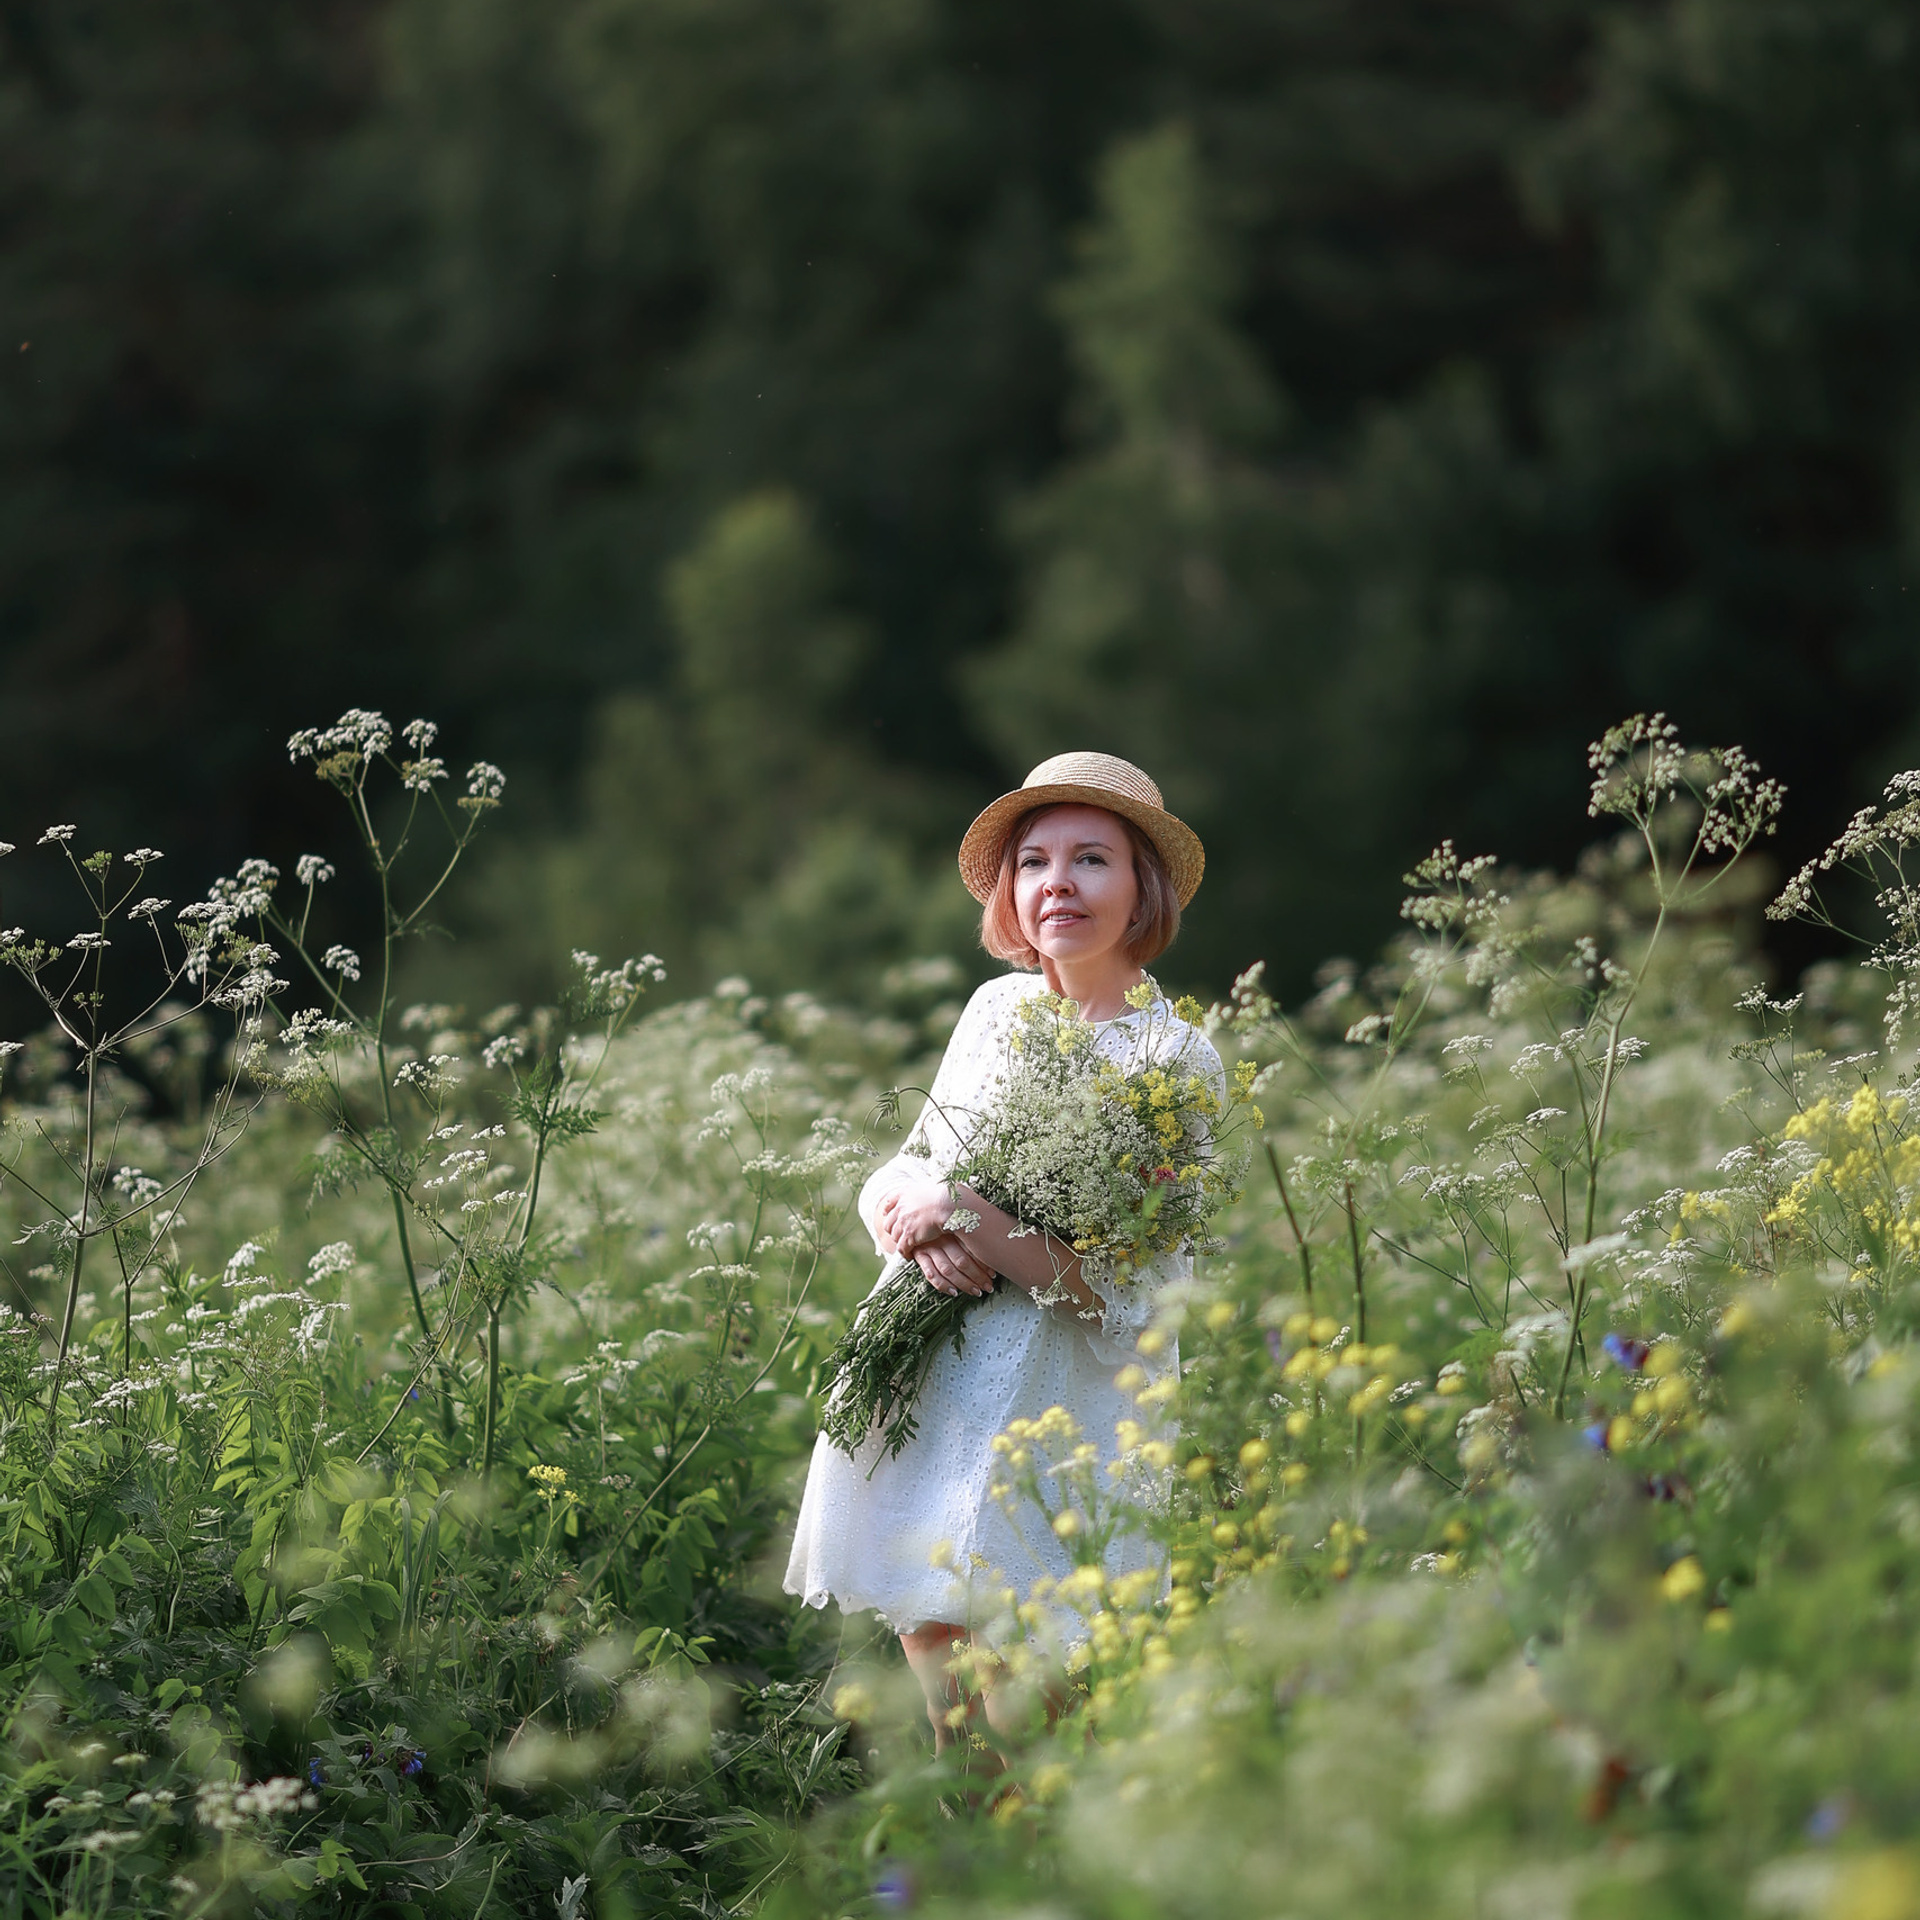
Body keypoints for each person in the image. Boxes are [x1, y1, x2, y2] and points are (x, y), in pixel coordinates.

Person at [784, 751, 1223, 1751]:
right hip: (935, 1389)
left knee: (1028, 1737)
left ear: (1141, 886)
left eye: (1091, 859)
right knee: (953, 1734)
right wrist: (910, 1210)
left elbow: (1127, 1290)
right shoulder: (996, 1011)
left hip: (1061, 1412)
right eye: (1034, 861)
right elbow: (909, 1166)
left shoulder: (1175, 1059)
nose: (1057, 882)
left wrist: (963, 1213)